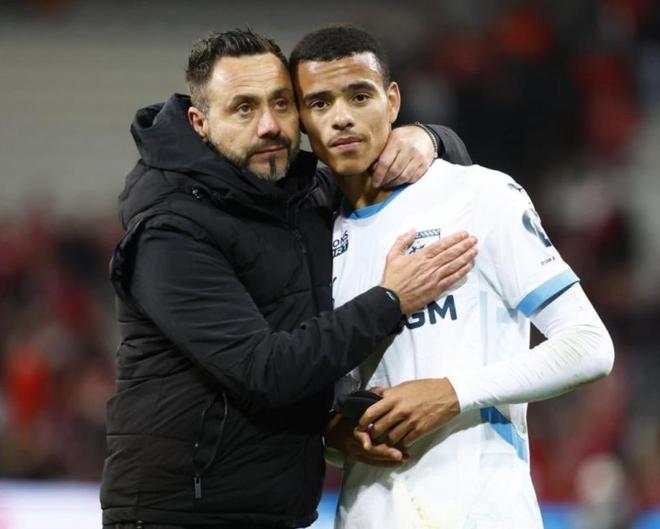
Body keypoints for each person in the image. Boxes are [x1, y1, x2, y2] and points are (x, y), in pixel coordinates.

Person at [101, 29, 476, 529]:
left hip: (277, 510)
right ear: (200, 123)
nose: (270, 126)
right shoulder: (170, 231)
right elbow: (265, 371)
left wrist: (429, 139)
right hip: (178, 515)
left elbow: (443, 174)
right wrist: (391, 300)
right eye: (244, 108)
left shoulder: (302, 194)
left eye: (281, 103)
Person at [289, 25, 615, 528]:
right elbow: (332, 398)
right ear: (301, 121)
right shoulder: (313, 240)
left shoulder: (478, 195)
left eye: (359, 96)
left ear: (393, 101)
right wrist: (337, 436)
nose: (342, 117)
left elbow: (589, 346)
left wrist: (452, 392)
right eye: (319, 103)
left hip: (482, 511)